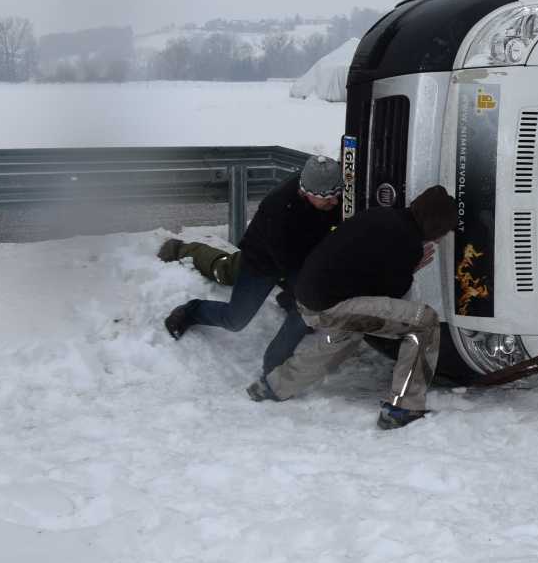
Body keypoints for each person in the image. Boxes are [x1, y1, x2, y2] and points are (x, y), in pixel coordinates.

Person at [256, 185, 458, 429]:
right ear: (434, 224)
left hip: (308, 296)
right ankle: (404, 408)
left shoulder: (380, 215)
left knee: (347, 334)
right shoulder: (408, 242)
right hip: (329, 306)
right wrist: (411, 268)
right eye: (443, 231)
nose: (441, 238)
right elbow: (390, 296)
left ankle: (274, 386)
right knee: (423, 322)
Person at [162, 155, 343, 379]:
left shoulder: (330, 189)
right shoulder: (278, 210)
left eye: (337, 195)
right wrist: (303, 293)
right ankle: (192, 311)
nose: (335, 202)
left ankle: (273, 370)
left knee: (303, 310)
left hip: (304, 255)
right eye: (327, 198)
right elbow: (288, 265)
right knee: (236, 319)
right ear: (307, 193)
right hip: (263, 261)